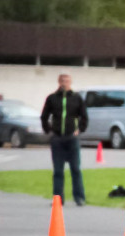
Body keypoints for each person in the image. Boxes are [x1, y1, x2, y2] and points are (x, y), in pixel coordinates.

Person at [40, 73, 88, 206]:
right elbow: (44, 116)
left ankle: (79, 197)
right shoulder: (52, 98)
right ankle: (58, 199)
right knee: (58, 171)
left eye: (66, 80)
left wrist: (80, 130)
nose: (64, 82)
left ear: (70, 82)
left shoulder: (77, 98)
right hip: (57, 139)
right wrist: (49, 131)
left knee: (75, 169)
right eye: (62, 80)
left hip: (71, 138)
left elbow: (84, 116)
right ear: (58, 82)